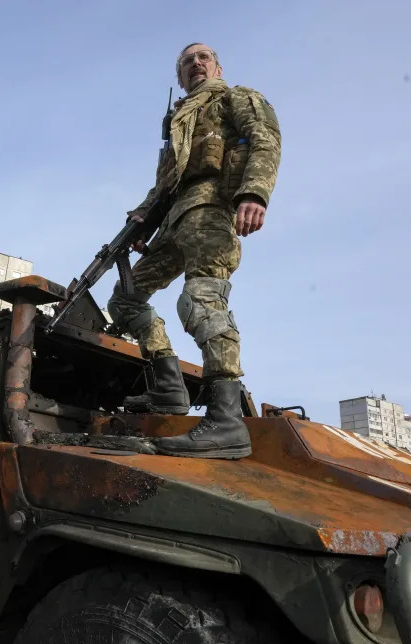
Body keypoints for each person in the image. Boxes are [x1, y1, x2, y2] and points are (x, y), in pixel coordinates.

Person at [107, 42, 282, 460]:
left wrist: (254, 193)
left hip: (210, 206)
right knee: (125, 300)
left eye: (203, 58)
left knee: (201, 298)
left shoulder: (234, 97)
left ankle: (226, 420)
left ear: (217, 67)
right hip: (173, 220)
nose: (196, 64)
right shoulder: (178, 121)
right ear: (179, 76)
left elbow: (265, 139)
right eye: (187, 61)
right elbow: (164, 183)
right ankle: (169, 387)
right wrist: (142, 220)